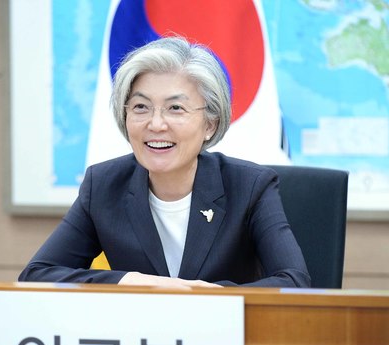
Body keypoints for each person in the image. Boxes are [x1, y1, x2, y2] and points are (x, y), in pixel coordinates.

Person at [19, 36, 311, 289]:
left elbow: (294, 282)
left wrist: (205, 295)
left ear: (210, 124)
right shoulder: (104, 185)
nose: (156, 124)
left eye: (175, 108)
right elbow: (37, 274)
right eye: (141, 107)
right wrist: (131, 281)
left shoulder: (250, 186)